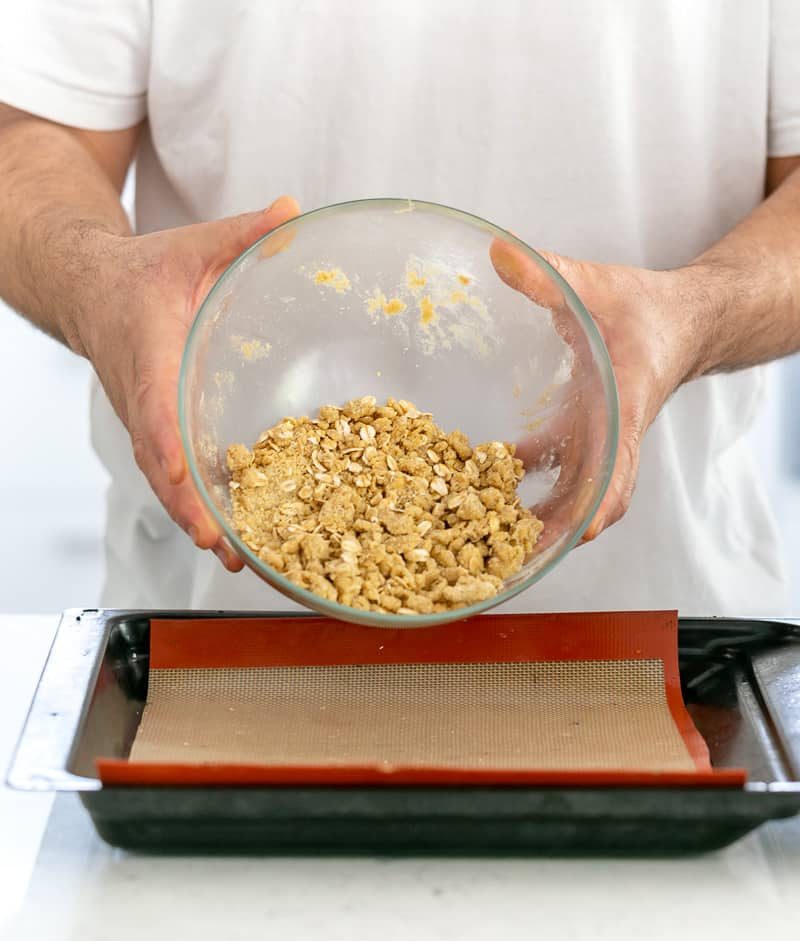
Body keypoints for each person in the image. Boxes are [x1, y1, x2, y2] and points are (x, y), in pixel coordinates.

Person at [0, 1, 798, 616]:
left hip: (666, 632)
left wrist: (691, 317)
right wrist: (100, 283)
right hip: (211, 633)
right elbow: (31, 128)